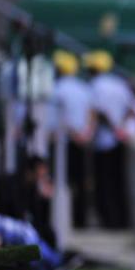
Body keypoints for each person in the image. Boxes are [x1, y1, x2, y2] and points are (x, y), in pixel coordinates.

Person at [85, 50, 133, 230]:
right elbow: (130, 109)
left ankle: (109, 220)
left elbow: (99, 112)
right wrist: (122, 127)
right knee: (118, 181)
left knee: (103, 183)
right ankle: (121, 219)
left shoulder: (96, 85)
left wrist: (113, 127)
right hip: (120, 140)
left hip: (103, 141)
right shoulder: (120, 84)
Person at [50, 50, 94, 230]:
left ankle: (60, 222)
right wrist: (86, 134)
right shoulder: (84, 88)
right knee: (81, 182)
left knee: (61, 182)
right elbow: (92, 113)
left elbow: (57, 118)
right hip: (82, 140)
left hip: (64, 142)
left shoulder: (56, 89)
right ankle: (81, 220)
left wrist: (73, 134)